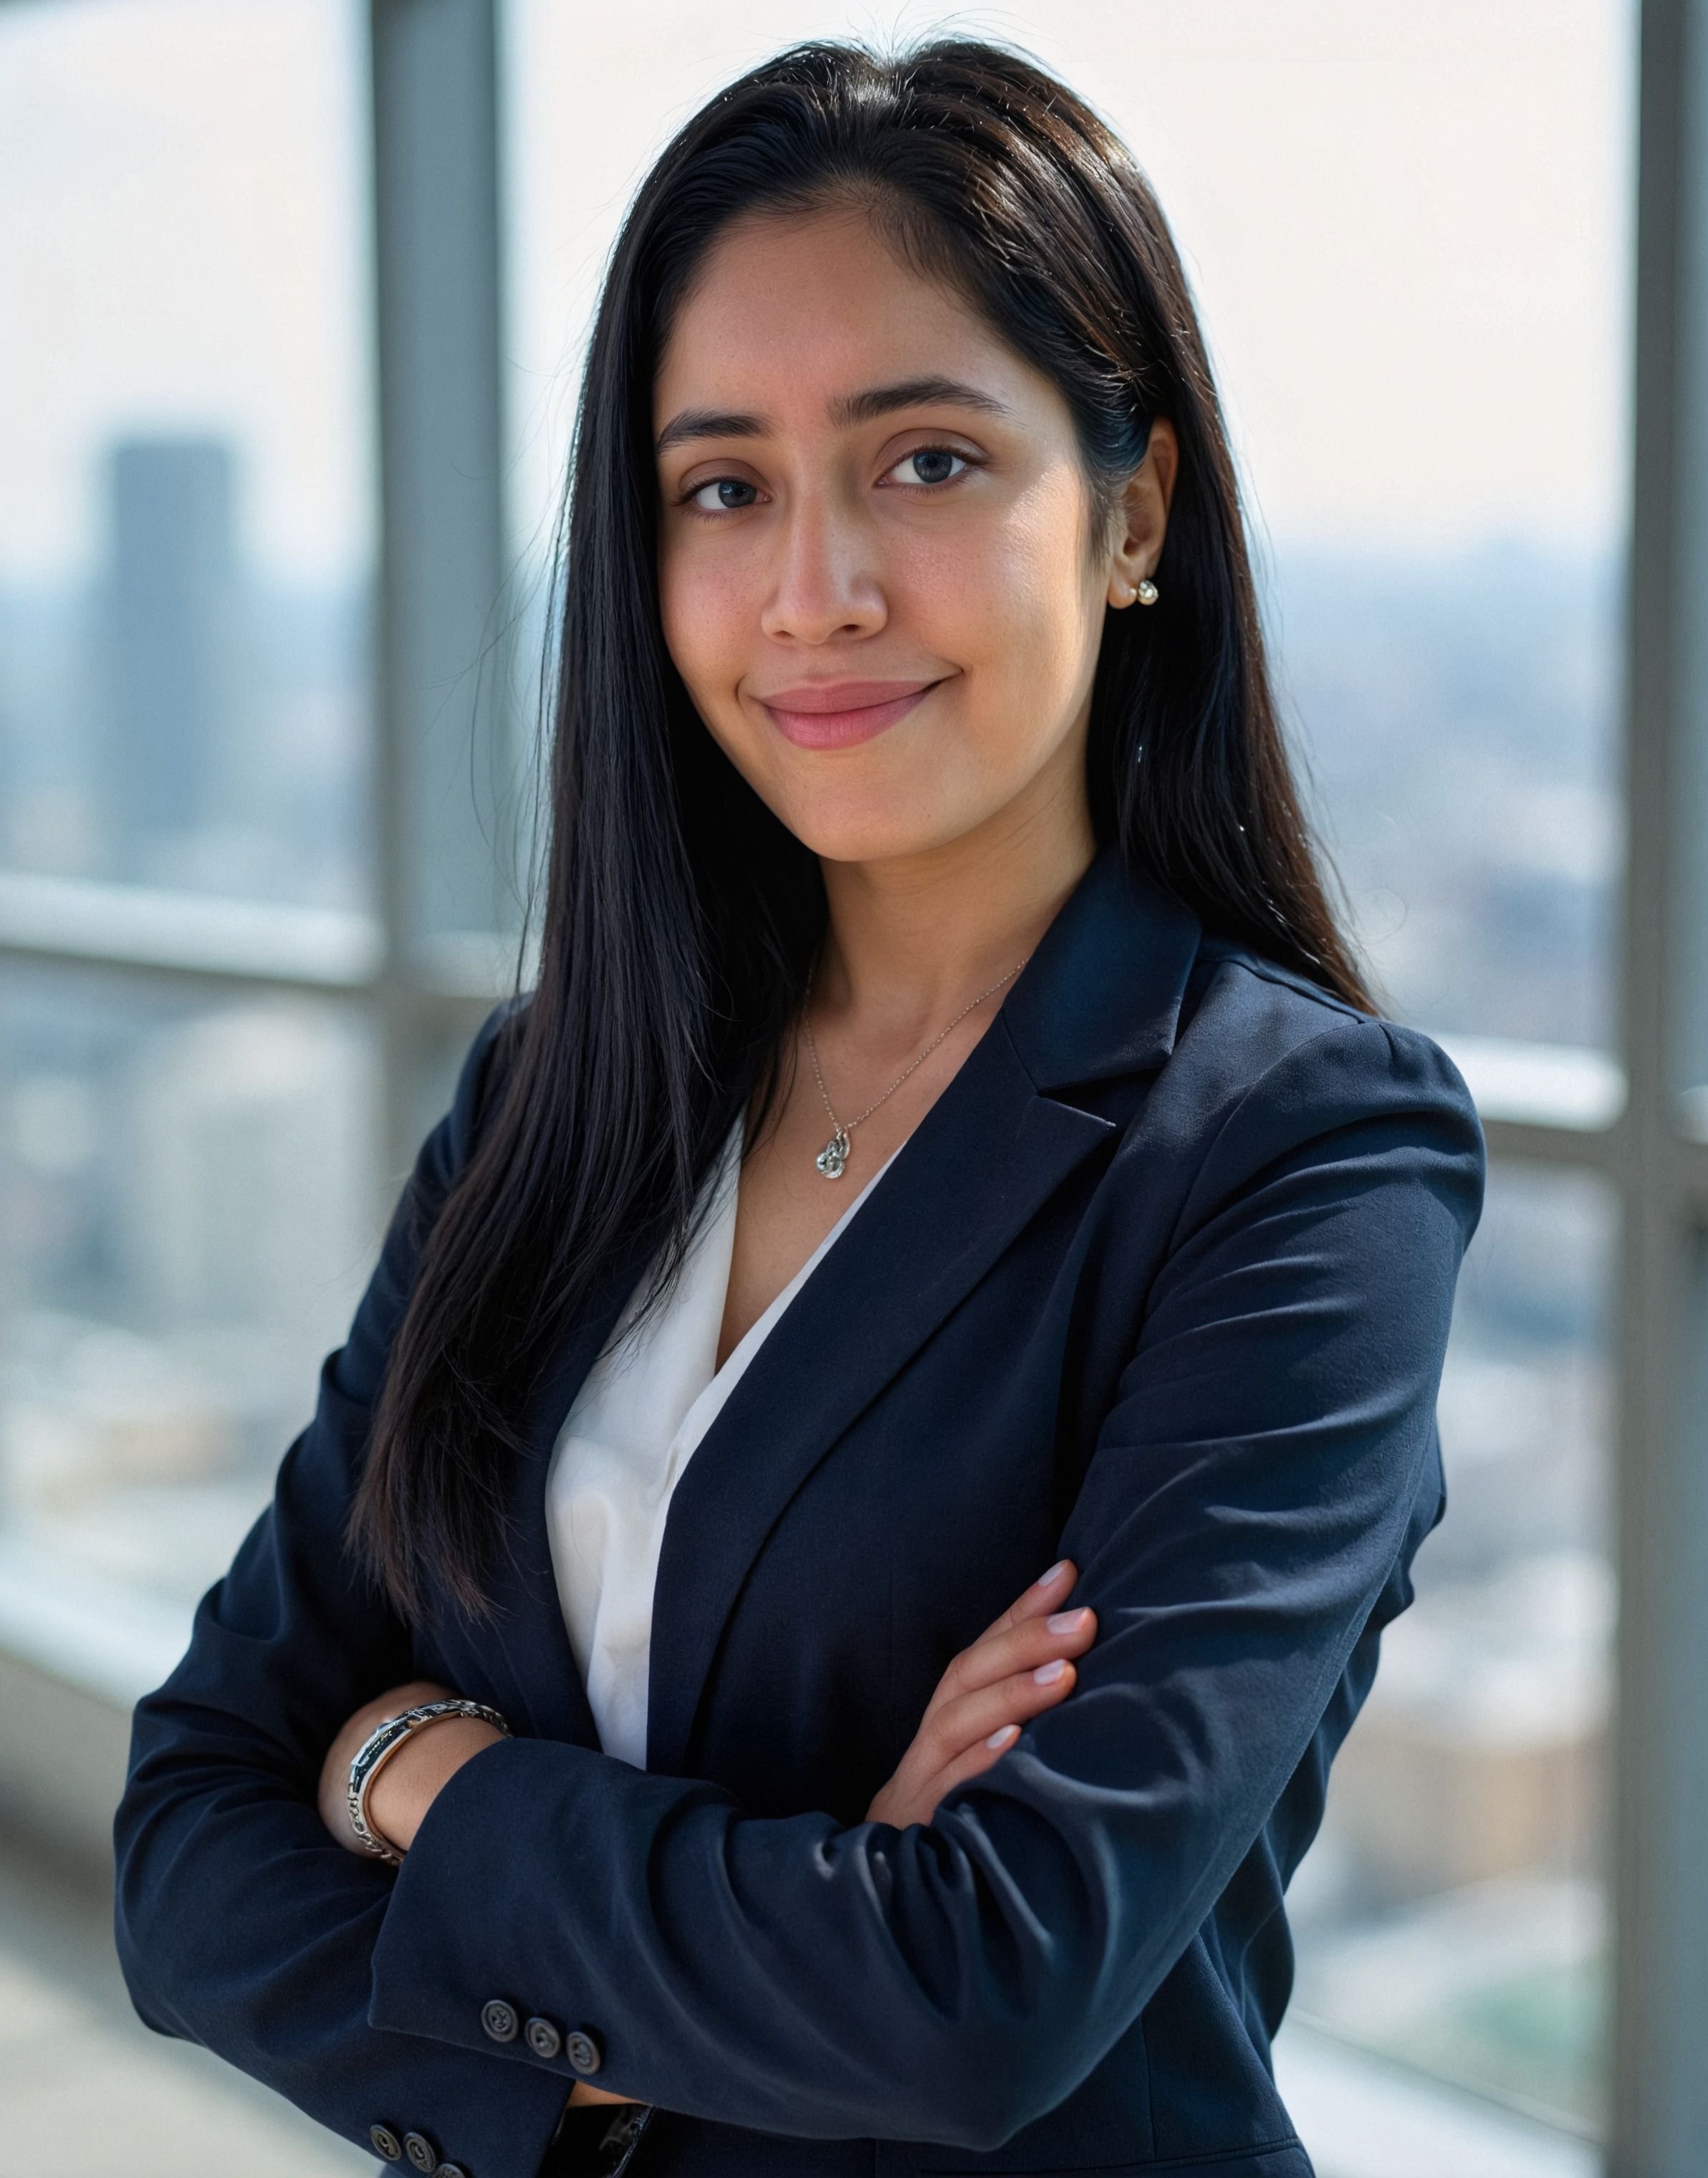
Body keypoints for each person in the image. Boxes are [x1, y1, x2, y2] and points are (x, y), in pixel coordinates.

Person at [113, 37, 1484, 2178]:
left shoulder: (1300, 1161)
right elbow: (187, 1835)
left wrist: (413, 1776)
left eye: (927, 462)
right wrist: (763, 1925)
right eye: (722, 487)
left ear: (1131, 513)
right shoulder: (559, 1093)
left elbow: (974, 1996)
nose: (813, 590)